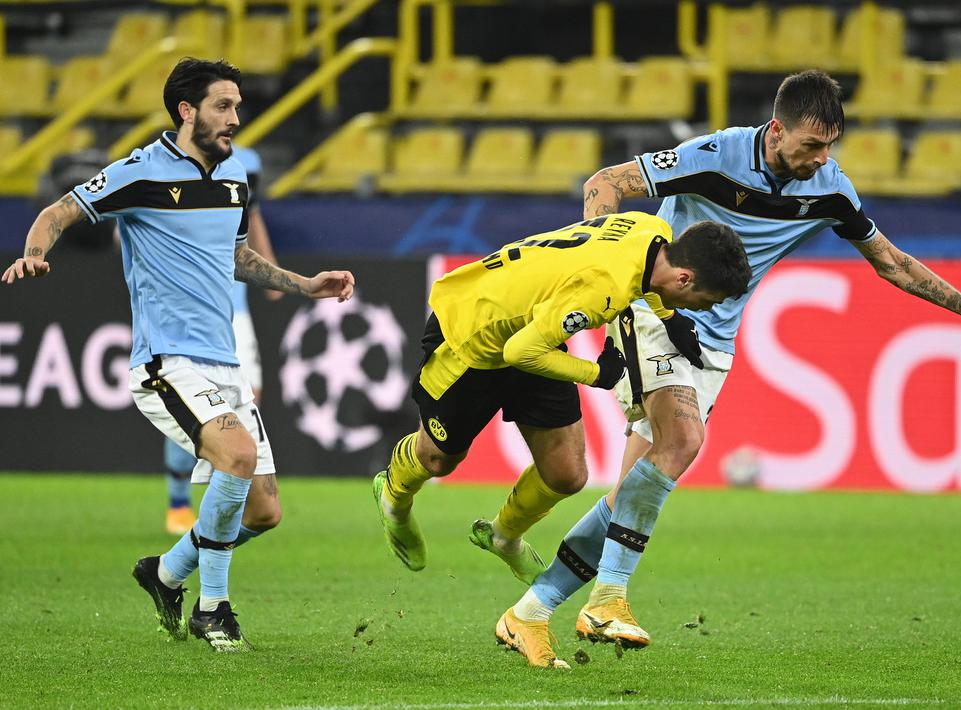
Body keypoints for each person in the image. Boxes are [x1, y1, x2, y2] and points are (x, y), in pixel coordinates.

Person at [484, 69, 961, 660]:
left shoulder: (829, 188)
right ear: (777, 130)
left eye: (830, 145)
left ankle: (530, 613)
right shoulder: (715, 156)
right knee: (683, 441)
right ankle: (609, 598)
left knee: (631, 493)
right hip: (656, 310)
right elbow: (607, 182)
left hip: (714, 344)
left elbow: (892, 263)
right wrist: (608, 278)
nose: (821, 158)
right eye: (811, 144)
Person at [2, 58, 355, 651]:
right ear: (186, 110)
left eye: (238, 107)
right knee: (236, 458)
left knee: (264, 512)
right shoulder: (140, 172)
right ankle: (214, 608)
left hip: (223, 360)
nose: (235, 119)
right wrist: (35, 252)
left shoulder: (236, 173)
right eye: (223, 106)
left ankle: (164, 574)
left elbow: (237, 256)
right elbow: (57, 212)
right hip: (166, 361)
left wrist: (302, 284)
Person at [372, 211, 751, 668]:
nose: (700, 311)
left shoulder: (652, 231)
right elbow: (519, 351)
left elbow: (618, 284)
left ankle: (503, 537)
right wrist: (597, 373)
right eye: (701, 302)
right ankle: (393, 492)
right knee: (438, 461)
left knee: (568, 474)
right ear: (686, 277)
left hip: (533, 329)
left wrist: (671, 318)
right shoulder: (602, 289)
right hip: (473, 337)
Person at [162, 144, 282, 536]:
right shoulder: (160, 164)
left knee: (248, 402)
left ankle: (221, 505)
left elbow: (252, 217)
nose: (229, 115)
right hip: (191, 314)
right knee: (198, 412)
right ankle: (178, 499)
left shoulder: (246, 162)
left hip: (237, 309)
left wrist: (272, 271)